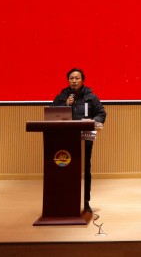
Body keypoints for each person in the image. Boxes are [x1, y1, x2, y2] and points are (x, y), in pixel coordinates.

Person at [52, 68, 106, 212]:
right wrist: (65, 105)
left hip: (85, 136)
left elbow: (101, 113)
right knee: (65, 168)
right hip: (65, 137)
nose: (74, 81)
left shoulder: (91, 97)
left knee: (85, 168)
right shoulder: (62, 96)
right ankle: (65, 199)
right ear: (68, 80)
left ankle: (85, 201)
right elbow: (52, 113)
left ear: (83, 80)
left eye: (77, 78)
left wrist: (93, 121)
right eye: (71, 78)